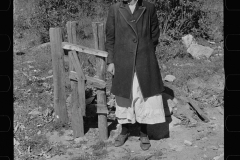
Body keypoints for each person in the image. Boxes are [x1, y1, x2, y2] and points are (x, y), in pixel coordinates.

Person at [105, 0, 166, 150]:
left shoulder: (148, 7)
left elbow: (154, 34)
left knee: (144, 95)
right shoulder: (115, 9)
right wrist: (111, 61)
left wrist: (145, 51)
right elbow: (110, 38)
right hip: (122, 60)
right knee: (124, 95)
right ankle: (124, 131)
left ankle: (144, 133)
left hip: (144, 58)